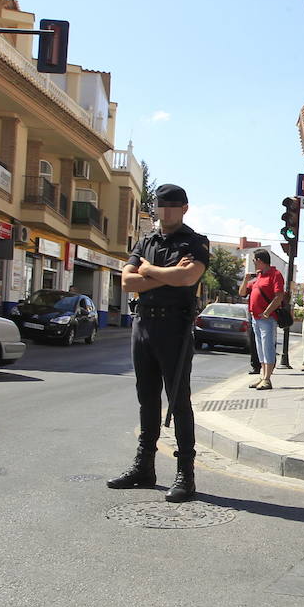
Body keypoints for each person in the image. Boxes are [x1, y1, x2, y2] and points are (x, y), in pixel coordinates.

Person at [107, 184, 210, 503]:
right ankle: (144, 467)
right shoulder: (145, 240)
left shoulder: (194, 242)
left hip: (174, 326)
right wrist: (164, 273)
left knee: (179, 400)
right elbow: (126, 282)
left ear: (184, 209)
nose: (165, 212)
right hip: (143, 323)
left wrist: (148, 271)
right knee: (146, 398)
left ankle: (185, 475)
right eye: (160, 206)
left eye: (172, 206)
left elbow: (187, 278)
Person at [240, 249, 285, 391]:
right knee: (260, 348)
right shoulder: (258, 277)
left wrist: (267, 312)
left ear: (259, 260)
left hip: (267, 318)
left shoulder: (275, 274)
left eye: (254, 260)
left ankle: (267, 379)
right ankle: (262, 376)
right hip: (255, 318)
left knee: (267, 347)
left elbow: (279, 296)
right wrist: (246, 279)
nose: (253, 262)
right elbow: (242, 293)